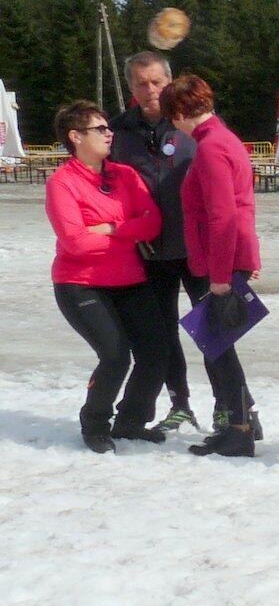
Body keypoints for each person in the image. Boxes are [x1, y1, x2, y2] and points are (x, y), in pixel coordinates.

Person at [46, 99, 167, 452]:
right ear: (75, 137)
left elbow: (153, 223)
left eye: (108, 127)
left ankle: (131, 421)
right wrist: (128, 230)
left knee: (156, 351)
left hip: (129, 279)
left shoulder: (125, 175)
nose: (109, 133)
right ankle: (95, 422)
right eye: (99, 129)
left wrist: (113, 228)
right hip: (80, 284)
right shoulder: (62, 183)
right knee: (115, 355)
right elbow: (76, 243)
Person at [160, 75, 262, 459]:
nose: (174, 126)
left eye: (173, 117)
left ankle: (240, 429)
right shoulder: (224, 139)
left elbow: (223, 217)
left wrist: (220, 277)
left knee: (218, 347)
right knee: (216, 344)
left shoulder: (211, 147)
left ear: (180, 113)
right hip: (227, 257)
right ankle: (242, 424)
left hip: (219, 262)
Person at [109, 51, 204, 433]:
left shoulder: (192, 125)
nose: (149, 90)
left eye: (156, 82)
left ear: (170, 81)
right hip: (150, 252)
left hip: (197, 248)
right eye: (141, 83)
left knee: (214, 330)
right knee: (164, 334)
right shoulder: (117, 132)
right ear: (130, 87)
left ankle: (237, 409)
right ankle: (180, 404)